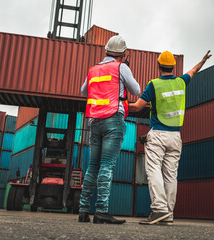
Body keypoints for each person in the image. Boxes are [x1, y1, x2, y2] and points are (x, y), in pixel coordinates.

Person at [129, 50, 212, 225]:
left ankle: (159, 209)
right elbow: (193, 71)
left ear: (158, 66)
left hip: (158, 134)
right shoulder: (181, 82)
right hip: (176, 136)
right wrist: (202, 60)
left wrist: (117, 104)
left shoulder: (154, 84)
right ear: (173, 67)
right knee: (170, 175)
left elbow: (136, 107)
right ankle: (168, 214)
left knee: (153, 170)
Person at [78, 35, 140, 224]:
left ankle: (82, 211)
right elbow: (136, 90)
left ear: (106, 51)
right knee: (107, 165)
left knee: (92, 166)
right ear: (123, 53)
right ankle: (101, 211)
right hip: (113, 120)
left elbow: (83, 91)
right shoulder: (121, 67)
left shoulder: (93, 70)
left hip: (94, 121)